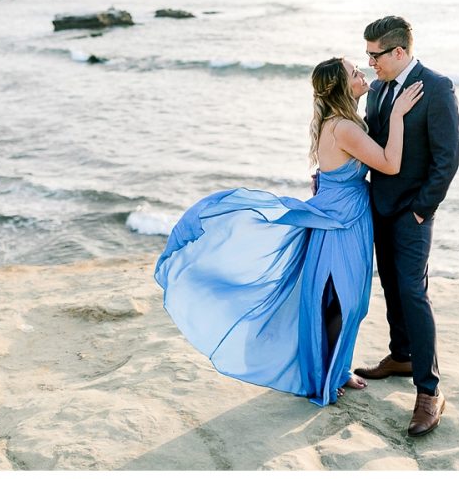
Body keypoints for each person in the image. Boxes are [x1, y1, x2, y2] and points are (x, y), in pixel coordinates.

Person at [154, 57, 423, 406]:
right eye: (354, 72)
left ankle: (334, 371)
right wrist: (399, 115)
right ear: (343, 86)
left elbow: (332, 171)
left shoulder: (339, 122)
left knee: (340, 303)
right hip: (340, 224)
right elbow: (389, 163)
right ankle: (325, 378)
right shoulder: (343, 127)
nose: (362, 73)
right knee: (345, 302)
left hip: (343, 218)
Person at [353, 16, 459, 437]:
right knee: (392, 287)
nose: (370, 62)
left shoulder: (437, 87)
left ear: (399, 52)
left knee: (413, 292)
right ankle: (401, 355)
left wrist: (422, 209)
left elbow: (447, 158)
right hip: (379, 206)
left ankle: (429, 390)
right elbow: (375, 145)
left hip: (413, 213)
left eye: (374, 54)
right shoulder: (378, 89)